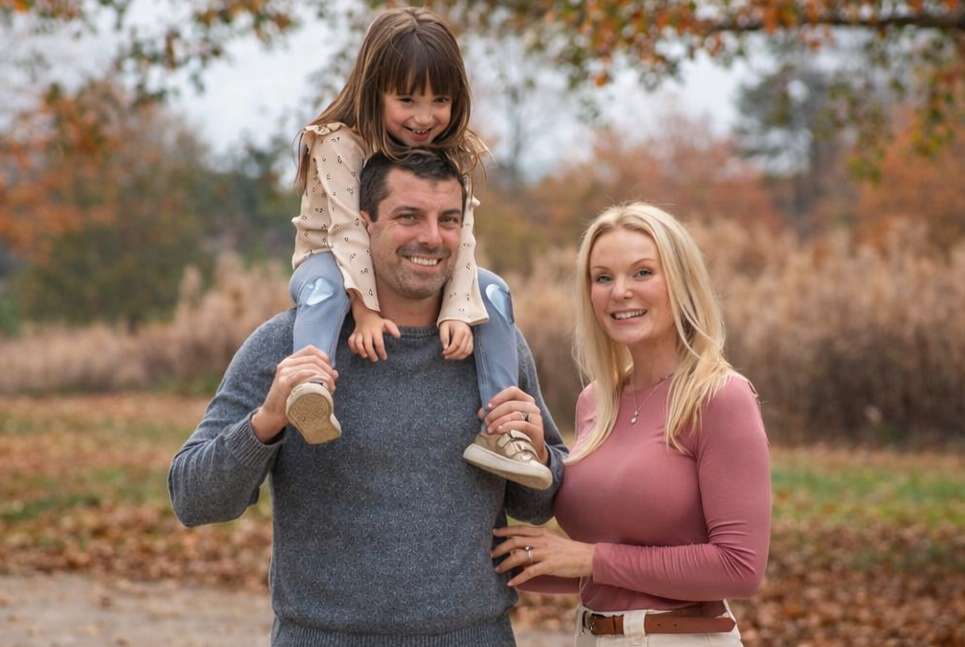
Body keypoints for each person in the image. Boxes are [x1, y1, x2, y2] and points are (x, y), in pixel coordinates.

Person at [168, 150, 568, 646]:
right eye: (408, 217)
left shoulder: (492, 344)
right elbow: (192, 499)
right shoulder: (289, 344)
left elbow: (538, 504)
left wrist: (543, 454)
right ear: (364, 225)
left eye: (448, 220)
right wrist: (267, 420)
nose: (432, 237)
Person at [285, 6, 550, 488]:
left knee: (491, 292)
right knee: (323, 285)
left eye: (440, 100)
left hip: (412, 277)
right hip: (327, 261)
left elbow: (462, 236)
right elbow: (347, 233)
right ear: (375, 92)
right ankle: (311, 385)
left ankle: (502, 428)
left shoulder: (453, 152)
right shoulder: (339, 142)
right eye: (407, 99)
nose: (424, 117)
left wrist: (457, 308)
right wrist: (364, 312)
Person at [491, 203, 771, 646]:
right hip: (593, 635)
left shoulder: (720, 398)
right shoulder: (594, 403)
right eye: (603, 277)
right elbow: (594, 569)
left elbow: (739, 568)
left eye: (642, 273)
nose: (620, 291)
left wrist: (589, 559)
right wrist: (523, 559)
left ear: (681, 282)